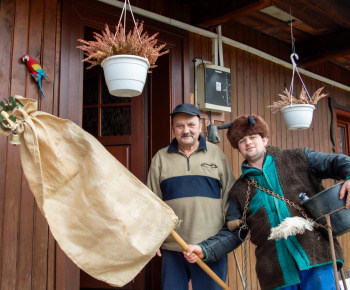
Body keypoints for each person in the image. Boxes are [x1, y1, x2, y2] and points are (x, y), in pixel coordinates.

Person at [184, 114, 350, 290]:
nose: (248, 142)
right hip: (276, 274)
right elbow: (233, 233)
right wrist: (205, 249)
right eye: (242, 140)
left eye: (253, 137)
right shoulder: (239, 191)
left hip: (316, 258)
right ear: (238, 148)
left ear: (265, 139)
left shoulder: (298, 158)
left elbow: (336, 162)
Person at [147, 103, 240, 290]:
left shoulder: (216, 154)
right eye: (179, 126)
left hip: (211, 247)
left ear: (199, 126)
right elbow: (151, 201)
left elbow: (232, 193)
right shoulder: (160, 158)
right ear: (173, 129)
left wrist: (231, 232)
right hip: (173, 246)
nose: (186, 130)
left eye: (191, 125)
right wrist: (151, 237)